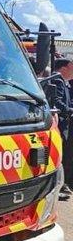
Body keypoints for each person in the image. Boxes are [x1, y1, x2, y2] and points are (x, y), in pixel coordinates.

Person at [49, 58, 73, 193]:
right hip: (60, 124)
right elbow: (57, 102)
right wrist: (70, 110)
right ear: (65, 68)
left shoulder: (63, 82)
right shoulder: (57, 80)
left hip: (64, 123)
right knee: (61, 153)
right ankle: (60, 185)